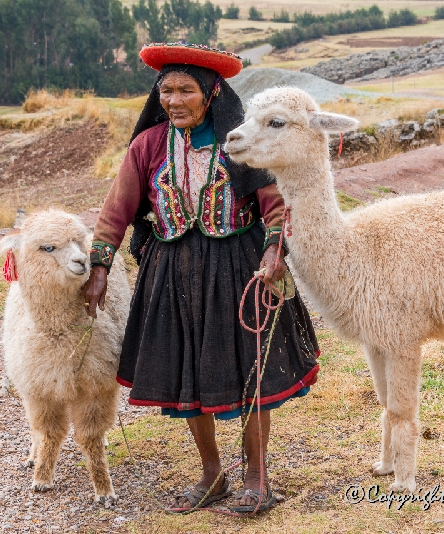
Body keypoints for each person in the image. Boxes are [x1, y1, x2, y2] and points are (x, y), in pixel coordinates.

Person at [82, 43, 320, 514]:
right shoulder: (147, 146)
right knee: (189, 374)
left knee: (249, 371)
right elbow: (117, 210)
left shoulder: (240, 142)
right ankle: (213, 475)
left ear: (211, 93)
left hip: (240, 268)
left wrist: (275, 249)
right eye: (165, 90)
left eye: (185, 90)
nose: (173, 100)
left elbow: (273, 202)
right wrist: (99, 267)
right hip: (171, 273)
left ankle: (258, 478)